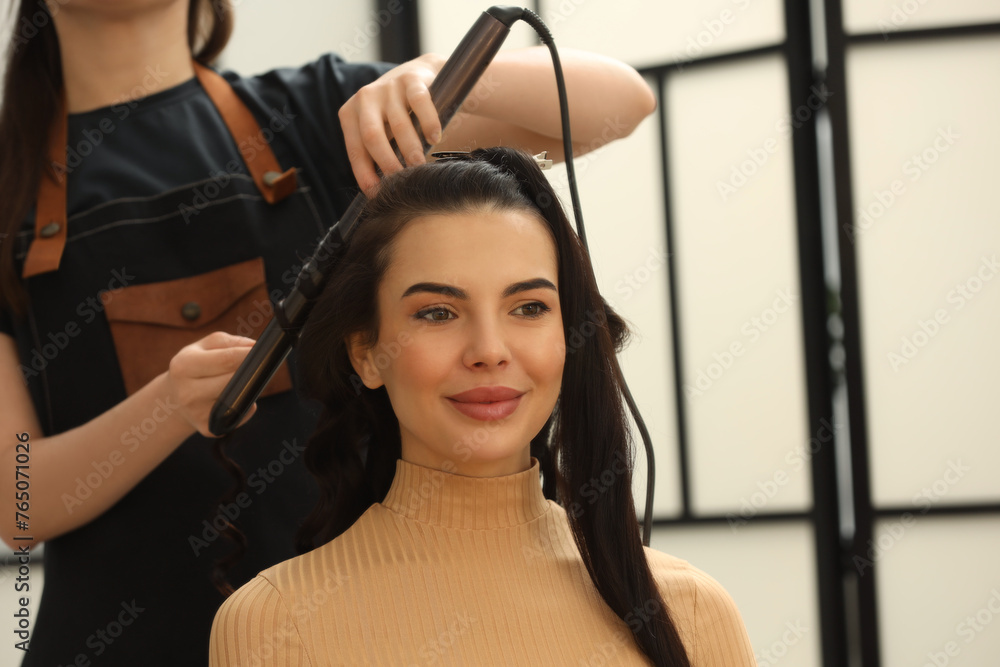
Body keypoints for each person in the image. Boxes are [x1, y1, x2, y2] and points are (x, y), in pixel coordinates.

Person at [0, 1, 657, 665]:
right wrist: (168, 405)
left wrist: (436, 74)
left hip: (358, 633)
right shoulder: (8, 190)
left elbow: (621, 102)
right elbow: (17, 500)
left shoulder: (316, 113)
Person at [209, 147, 756, 666]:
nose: (490, 352)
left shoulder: (690, 611)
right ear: (368, 354)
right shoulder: (276, 623)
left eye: (528, 307)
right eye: (438, 313)